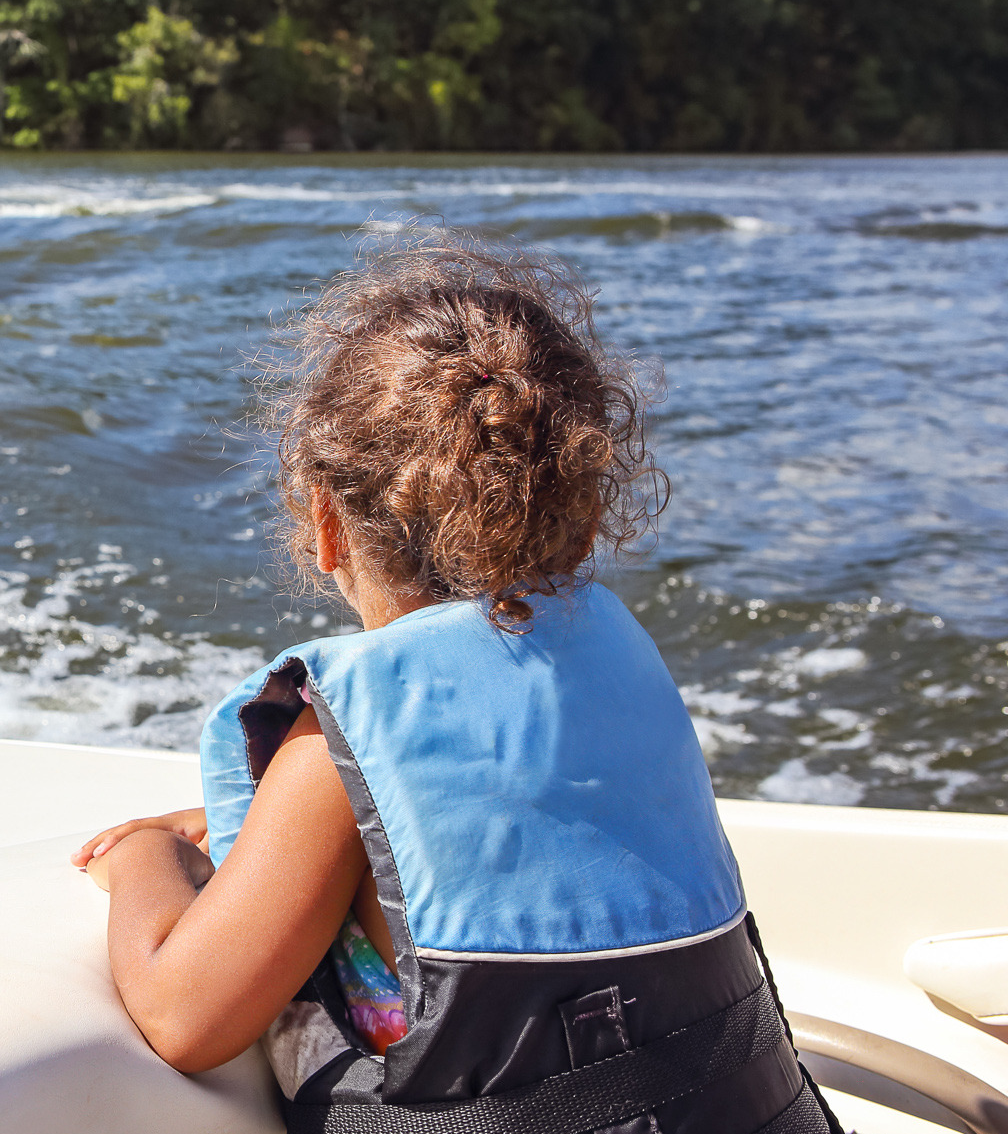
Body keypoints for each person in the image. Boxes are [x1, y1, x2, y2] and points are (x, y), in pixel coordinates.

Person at [71, 234, 842, 1134]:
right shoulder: (613, 667)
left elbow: (181, 1016)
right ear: (582, 519)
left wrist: (143, 860)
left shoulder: (331, 747)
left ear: (325, 523)